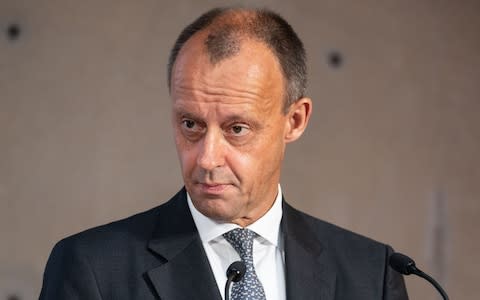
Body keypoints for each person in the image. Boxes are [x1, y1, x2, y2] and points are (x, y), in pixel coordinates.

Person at [39, 7, 408, 300]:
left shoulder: (371, 273)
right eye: (190, 125)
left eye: (237, 129)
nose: (206, 159)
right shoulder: (92, 268)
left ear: (295, 121)